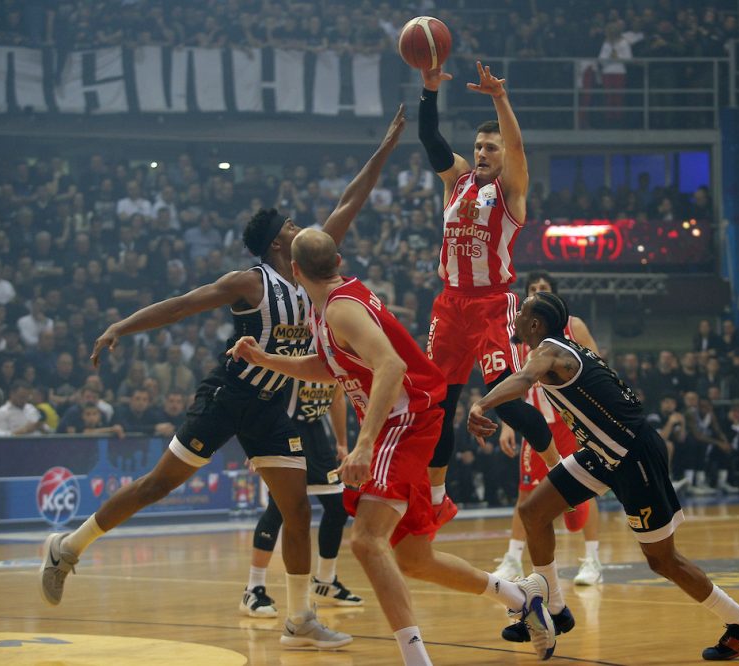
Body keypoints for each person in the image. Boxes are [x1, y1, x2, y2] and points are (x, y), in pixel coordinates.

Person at [38, 106, 407, 651]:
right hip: (227, 396)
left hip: (272, 406)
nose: (300, 226)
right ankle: (68, 546)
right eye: (289, 224)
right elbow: (181, 305)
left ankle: (299, 620)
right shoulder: (249, 282)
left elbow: (351, 199)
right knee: (157, 485)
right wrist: (121, 326)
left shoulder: (312, 265)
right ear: (278, 242)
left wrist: (387, 144)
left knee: (297, 509)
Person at [230, 229, 557, 664]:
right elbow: (332, 367)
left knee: (366, 541)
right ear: (338, 261)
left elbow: (391, 365)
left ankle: (416, 660)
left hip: (405, 421)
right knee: (414, 558)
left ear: (294, 270)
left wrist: (364, 445)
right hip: (405, 422)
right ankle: (521, 597)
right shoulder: (328, 307)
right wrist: (266, 359)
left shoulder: (342, 308)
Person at [468, 291, 739, 662]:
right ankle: (557, 610)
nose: (514, 318)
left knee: (663, 560)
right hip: (601, 453)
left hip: (633, 455)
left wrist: (481, 403)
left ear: (535, 323)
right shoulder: (565, 348)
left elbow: (524, 379)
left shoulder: (548, 352)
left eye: (521, 313)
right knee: (533, 512)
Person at [417, 60, 554, 524]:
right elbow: (430, 139)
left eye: (490, 147)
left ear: (502, 155)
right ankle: (438, 500)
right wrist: (429, 89)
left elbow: (517, 146)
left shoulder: (511, 189)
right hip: (450, 303)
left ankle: (563, 471)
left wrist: (500, 98)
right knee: (438, 404)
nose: (481, 152)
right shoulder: (456, 180)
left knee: (506, 400)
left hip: (493, 303)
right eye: (478, 146)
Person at [493, 271, 605, 601]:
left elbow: (596, 368)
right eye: (533, 289)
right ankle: (513, 558)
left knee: (583, 489)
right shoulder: (518, 332)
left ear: (554, 294)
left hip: (570, 422)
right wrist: (508, 423)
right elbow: (513, 380)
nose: (539, 292)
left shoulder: (574, 326)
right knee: (526, 493)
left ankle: (593, 560)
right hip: (537, 422)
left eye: (544, 288)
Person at [239, 374, 363, 617]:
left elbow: (337, 399)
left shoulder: (336, 359)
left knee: (337, 506)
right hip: (283, 430)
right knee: (279, 508)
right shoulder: (294, 358)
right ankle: (253, 589)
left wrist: (341, 443)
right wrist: (256, 442)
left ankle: (325, 581)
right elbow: (262, 397)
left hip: (315, 433)